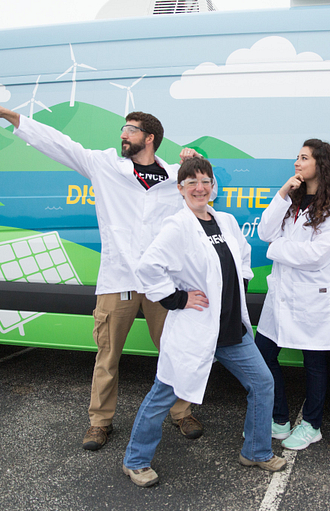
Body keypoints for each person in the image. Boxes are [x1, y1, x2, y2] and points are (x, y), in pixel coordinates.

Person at [0, 88, 206, 450]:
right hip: (118, 278)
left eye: (131, 129)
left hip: (163, 281)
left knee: (174, 350)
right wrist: (9, 115)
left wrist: (196, 163)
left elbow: (206, 195)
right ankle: (100, 422)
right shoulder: (105, 165)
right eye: (123, 129)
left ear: (150, 137)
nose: (123, 134)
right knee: (107, 355)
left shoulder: (176, 177)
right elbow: (58, 143)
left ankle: (182, 412)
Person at [122, 158, 284, 487]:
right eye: (192, 182)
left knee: (263, 383)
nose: (200, 187)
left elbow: (241, 257)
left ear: (213, 187)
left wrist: (240, 285)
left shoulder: (224, 220)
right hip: (196, 331)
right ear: (180, 189)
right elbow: (148, 267)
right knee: (163, 393)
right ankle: (136, 461)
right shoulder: (177, 226)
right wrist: (177, 299)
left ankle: (255, 450)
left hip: (231, 332)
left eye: (205, 181)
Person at [254, 139, 330, 450]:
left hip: (314, 296)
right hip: (281, 294)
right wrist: (283, 192)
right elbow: (264, 233)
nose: (297, 163)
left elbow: (318, 255)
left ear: (321, 164)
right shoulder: (291, 201)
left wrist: (276, 250)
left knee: (315, 363)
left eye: (304, 158)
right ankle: (279, 418)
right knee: (263, 355)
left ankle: (312, 425)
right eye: (297, 157)